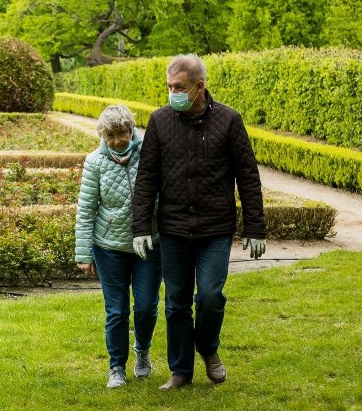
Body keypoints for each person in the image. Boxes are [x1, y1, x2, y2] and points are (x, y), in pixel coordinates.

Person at [132, 54, 266, 391]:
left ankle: (208, 348)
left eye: (179, 87)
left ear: (199, 86)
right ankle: (180, 372)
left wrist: (255, 227)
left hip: (215, 228)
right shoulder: (160, 121)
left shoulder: (229, 121)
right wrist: (140, 228)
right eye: (169, 86)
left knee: (209, 296)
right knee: (177, 302)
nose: (172, 92)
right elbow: (146, 178)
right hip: (174, 228)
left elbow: (247, 175)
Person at [75, 104, 161, 389]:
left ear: (131, 130)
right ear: (102, 135)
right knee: (116, 310)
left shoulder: (150, 153)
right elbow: (86, 211)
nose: (117, 141)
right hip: (109, 247)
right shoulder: (95, 162)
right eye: (110, 135)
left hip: (149, 244)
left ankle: (143, 349)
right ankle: (116, 368)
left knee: (147, 306)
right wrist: (84, 254)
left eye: (122, 133)